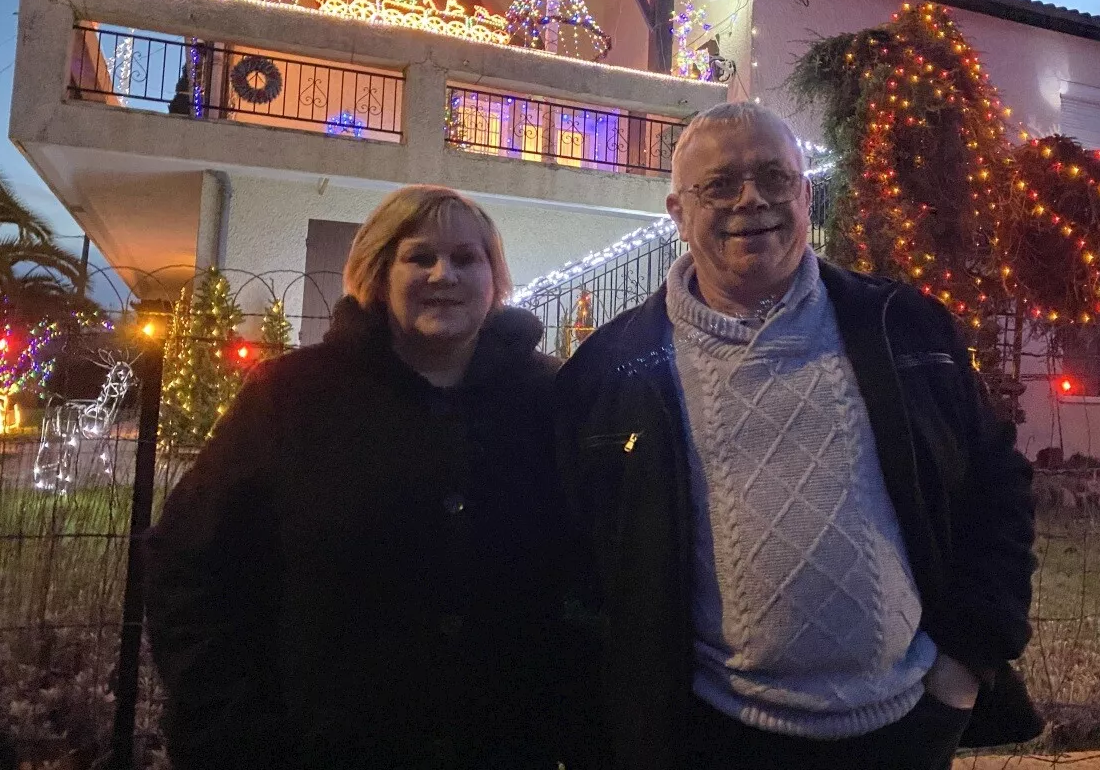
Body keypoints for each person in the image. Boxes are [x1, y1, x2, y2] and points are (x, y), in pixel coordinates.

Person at [556, 102, 1041, 770]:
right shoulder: (613, 368)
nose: (750, 199)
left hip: (902, 730)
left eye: (774, 178)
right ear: (677, 212)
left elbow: (998, 490)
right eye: (720, 184)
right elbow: (579, 567)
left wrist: (963, 669)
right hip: (710, 738)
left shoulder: (905, 328)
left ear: (805, 194)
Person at [146, 185, 578, 770]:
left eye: (467, 258)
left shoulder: (549, 400)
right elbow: (188, 562)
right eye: (419, 256)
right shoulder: (293, 396)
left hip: (506, 746)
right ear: (378, 272)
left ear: (494, 279)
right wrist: (228, 726)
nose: (443, 274)